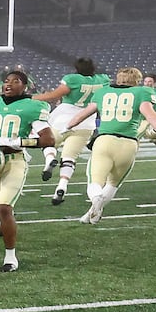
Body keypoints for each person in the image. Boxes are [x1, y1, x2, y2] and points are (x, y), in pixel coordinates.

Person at [64, 67, 156, 225]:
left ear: (118, 78)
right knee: (113, 184)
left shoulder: (103, 92)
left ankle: (95, 200)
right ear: (137, 80)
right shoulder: (142, 92)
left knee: (94, 181)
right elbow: (152, 116)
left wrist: (66, 128)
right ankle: (91, 212)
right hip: (129, 144)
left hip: (104, 141)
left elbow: (81, 115)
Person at [0, 71, 55, 272]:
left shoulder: (32, 106)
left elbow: (48, 139)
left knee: (5, 207)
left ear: (24, 86)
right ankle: (6, 220)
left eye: (15, 81)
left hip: (14, 161)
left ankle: (10, 257)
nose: (8, 84)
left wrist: (17, 142)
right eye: (6, 81)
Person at [35, 57, 111, 205]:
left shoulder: (72, 79)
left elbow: (54, 95)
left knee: (47, 142)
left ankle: (50, 160)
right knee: (69, 157)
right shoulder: (102, 79)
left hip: (63, 119)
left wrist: (31, 98)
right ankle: (61, 187)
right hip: (86, 122)